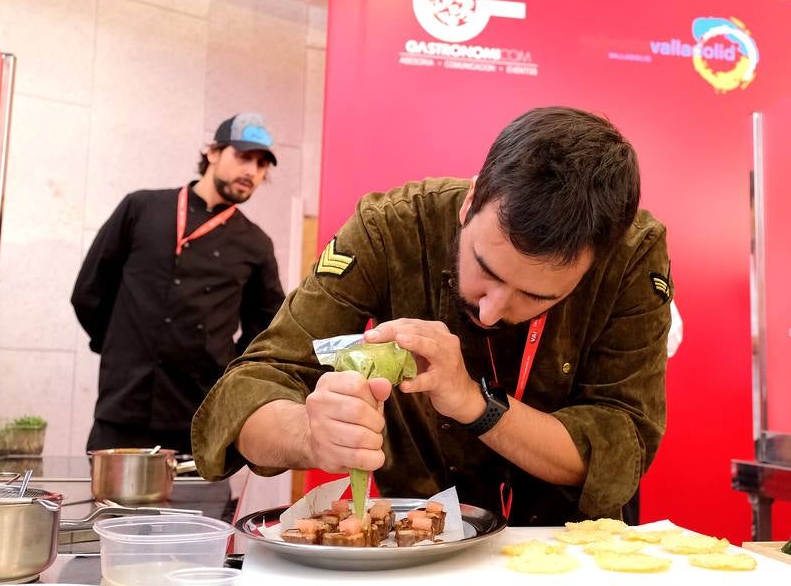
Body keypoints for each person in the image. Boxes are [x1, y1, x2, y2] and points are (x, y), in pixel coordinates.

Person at [192, 106, 673, 524]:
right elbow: (252, 383)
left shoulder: (632, 255)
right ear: (471, 200)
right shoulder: (392, 227)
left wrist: (475, 404)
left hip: (568, 551)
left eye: (535, 296)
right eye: (486, 270)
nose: (491, 310)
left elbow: (620, 443)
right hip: (420, 545)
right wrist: (309, 435)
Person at [72, 113, 285, 456]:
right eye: (243, 157)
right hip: (123, 406)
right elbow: (89, 292)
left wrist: (226, 370)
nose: (252, 172)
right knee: (109, 509)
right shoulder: (141, 208)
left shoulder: (256, 244)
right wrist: (117, 347)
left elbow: (267, 330)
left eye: (262, 165)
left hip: (199, 416)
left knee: (203, 510)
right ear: (213, 153)